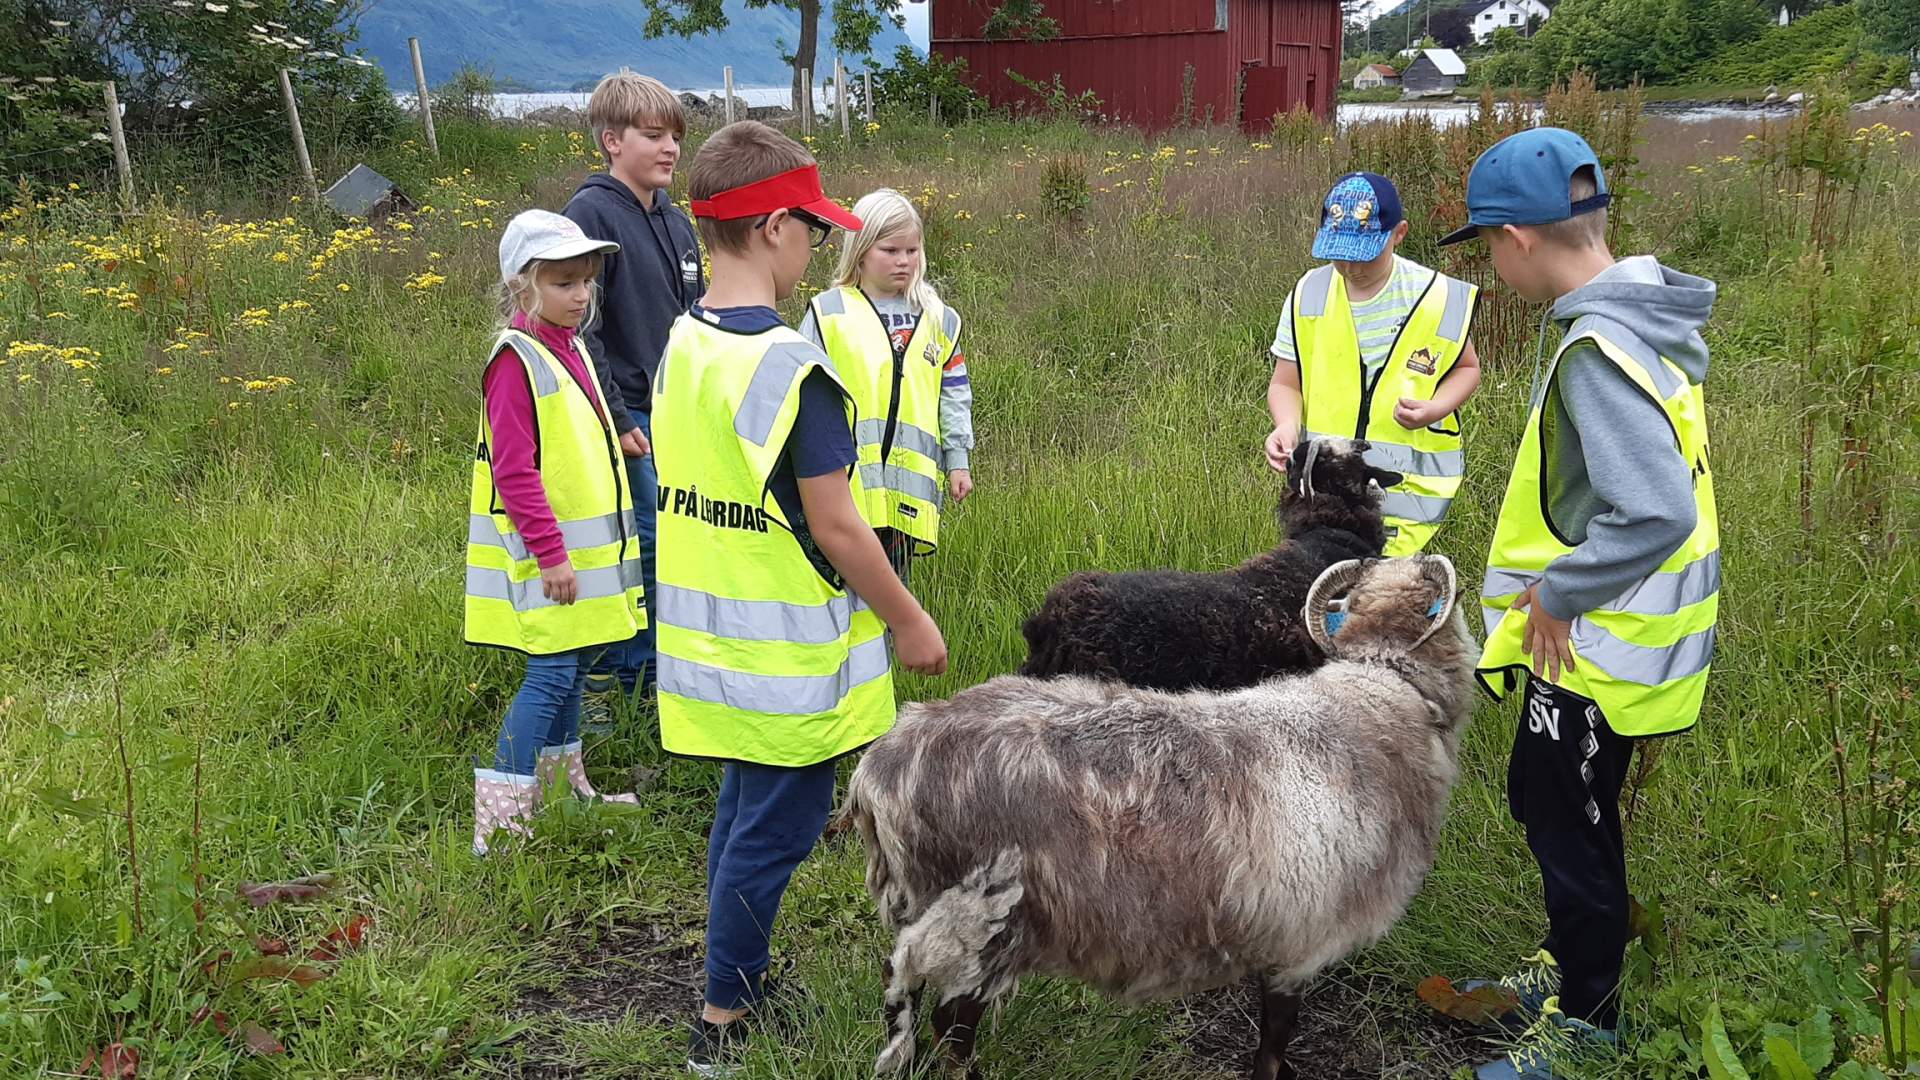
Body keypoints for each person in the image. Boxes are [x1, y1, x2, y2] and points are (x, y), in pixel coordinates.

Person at [649, 120, 949, 1076]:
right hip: (786, 660)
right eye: (814, 230)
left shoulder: (684, 339)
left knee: (742, 816)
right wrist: (909, 619)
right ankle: (722, 1019)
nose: (817, 248)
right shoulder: (789, 367)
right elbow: (841, 526)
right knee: (773, 834)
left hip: (710, 640)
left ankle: (735, 977)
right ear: (774, 227)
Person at [1439, 129, 1720, 1080]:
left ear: (1518, 239)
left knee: (1573, 834)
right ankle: (1566, 962)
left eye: (1488, 244)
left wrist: (1558, 595)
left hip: (1601, 646)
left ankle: (1588, 1022)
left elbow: (1657, 510)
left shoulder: (1598, 348)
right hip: (1603, 642)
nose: (1492, 263)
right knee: (1547, 797)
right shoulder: (1640, 319)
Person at [464, 210, 649, 856]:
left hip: (576, 557)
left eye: (587, 281)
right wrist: (550, 554)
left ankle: (565, 791)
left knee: (570, 669)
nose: (581, 295)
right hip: (550, 559)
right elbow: (514, 471)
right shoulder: (516, 361)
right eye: (564, 283)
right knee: (550, 675)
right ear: (523, 286)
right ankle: (499, 825)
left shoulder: (568, 347)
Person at [562, 71, 703, 730]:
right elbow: (581, 329)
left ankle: (660, 667)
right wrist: (618, 418)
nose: (670, 148)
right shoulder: (589, 216)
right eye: (653, 135)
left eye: (675, 136)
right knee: (639, 544)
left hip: (678, 412)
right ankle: (621, 681)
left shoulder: (677, 221)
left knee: (675, 543)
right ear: (612, 141)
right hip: (629, 416)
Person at [1264, 171, 1482, 557]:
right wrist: (1286, 424)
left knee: (1395, 591)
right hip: (1325, 499)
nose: (1351, 268)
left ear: (1399, 234)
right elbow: (1285, 383)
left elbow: (1467, 369)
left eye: (1364, 255)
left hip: (1410, 503)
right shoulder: (1308, 293)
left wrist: (1435, 408)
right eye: (1339, 256)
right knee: (1329, 587)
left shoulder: (1437, 297)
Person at [799, 188, 974, 582]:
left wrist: (958, 460)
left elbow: (954, 394)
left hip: (907, 497)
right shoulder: (829, 313)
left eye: (912, 250)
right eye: (890, 250)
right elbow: (801, 394)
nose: (904, 261)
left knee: (892, 593)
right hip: (845, 489)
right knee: (840, 591)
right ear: (861, 250)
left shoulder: (939, 319)